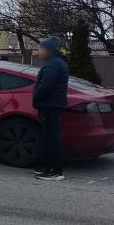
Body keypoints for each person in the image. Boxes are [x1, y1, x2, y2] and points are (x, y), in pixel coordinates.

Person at [32, 36, 69, 181]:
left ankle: (55, 171)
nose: (39, 52)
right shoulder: (56, 62)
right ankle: (49, 167)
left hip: (51, 105)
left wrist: (36, 98)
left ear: (48, 50)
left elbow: (46, 85)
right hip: (52, 105)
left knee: (52, 138)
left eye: (40, 49)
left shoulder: (53, 64)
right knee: (49, 137)